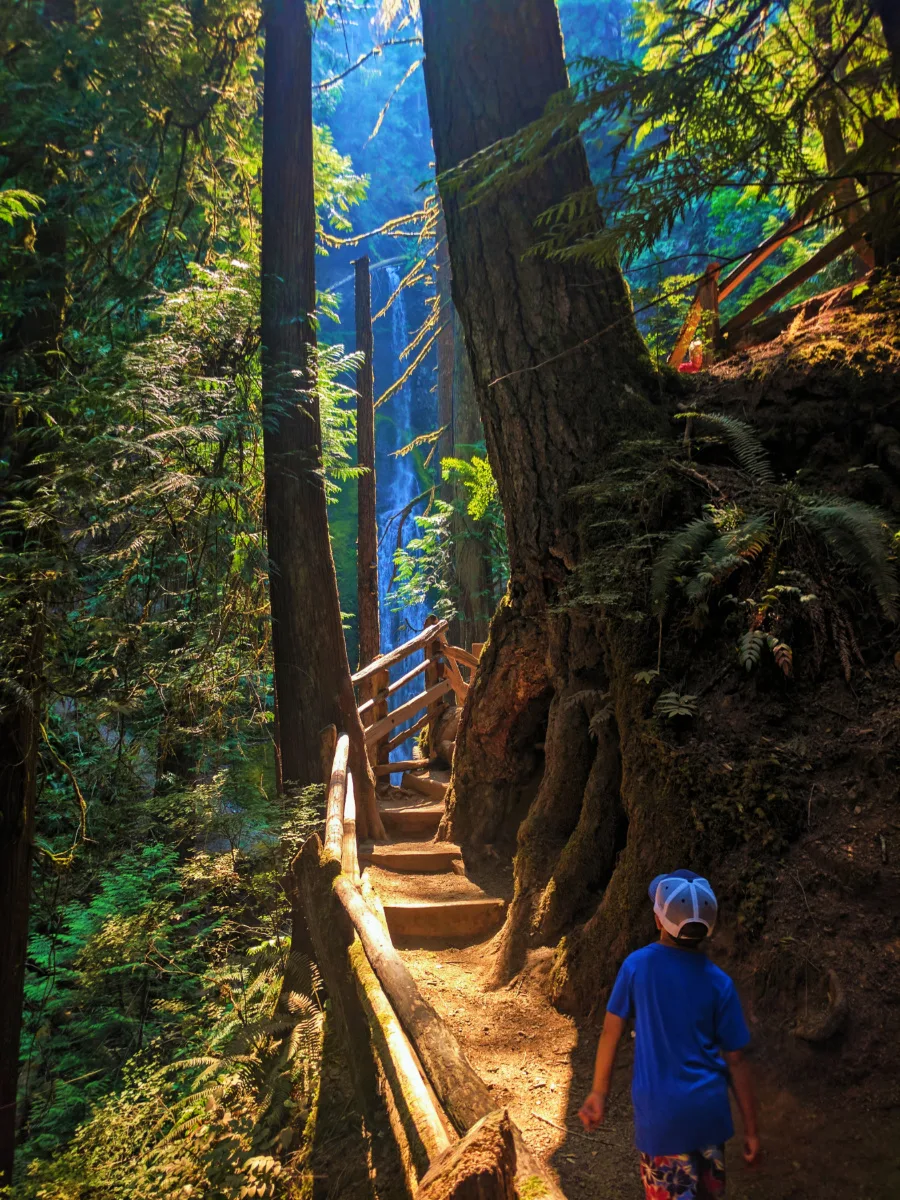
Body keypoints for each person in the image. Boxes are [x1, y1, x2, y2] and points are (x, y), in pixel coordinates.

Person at [579, 869, 759, 1199]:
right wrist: (751, 1130)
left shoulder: (637, 966)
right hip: (709, 1117)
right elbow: (737, 1060)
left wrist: (599, 1093)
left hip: (662, 1120)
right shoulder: (720, 982)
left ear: (658, 921)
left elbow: (610, 1032)